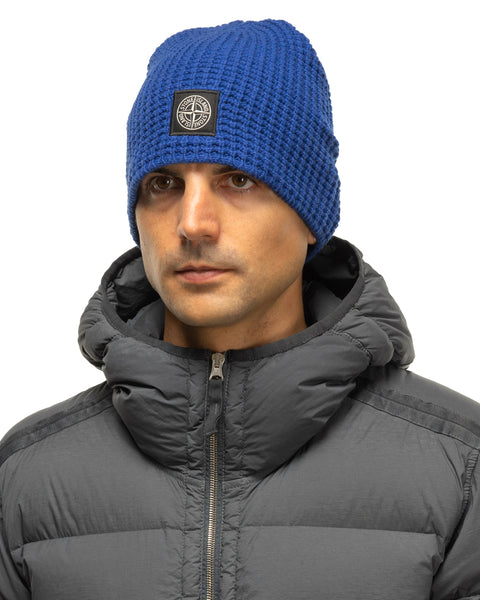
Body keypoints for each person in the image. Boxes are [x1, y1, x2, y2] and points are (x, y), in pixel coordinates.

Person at [0, 18, 478, 600]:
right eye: (163, 184)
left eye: (239, 179)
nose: (192, 223)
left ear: (310, 215)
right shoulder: (25, 479)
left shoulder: (458, 468)